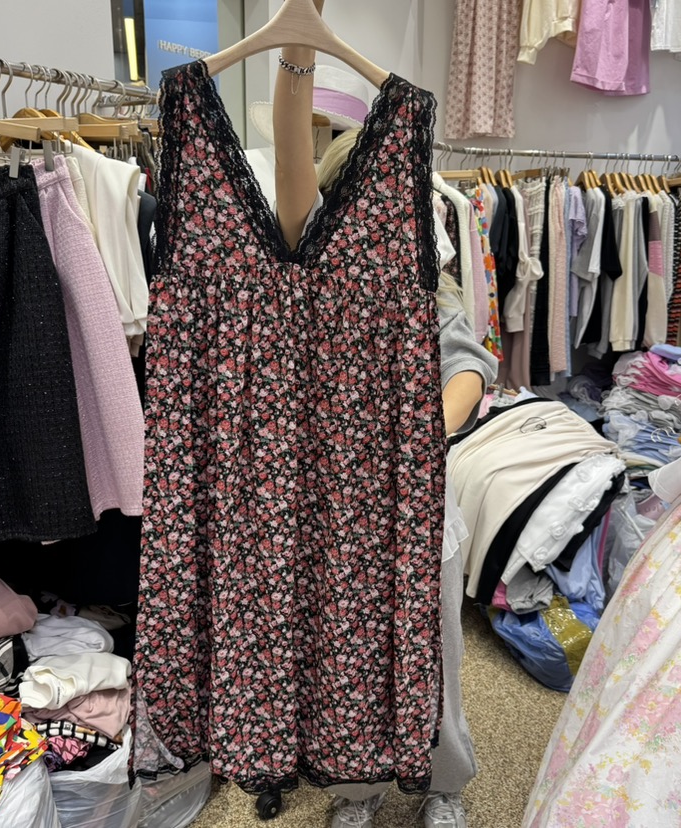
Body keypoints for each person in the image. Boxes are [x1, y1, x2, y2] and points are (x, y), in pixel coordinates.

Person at [273, 5, 498, 827]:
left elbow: (468, 364)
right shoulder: (303, 273)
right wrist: (297, 47)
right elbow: (290, 158)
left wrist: (419, 434)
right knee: (343, 661)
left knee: (432, 653)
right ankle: (356, 788)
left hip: (411, 503)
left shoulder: (418, 282)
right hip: (331, 513)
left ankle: (443, 783)